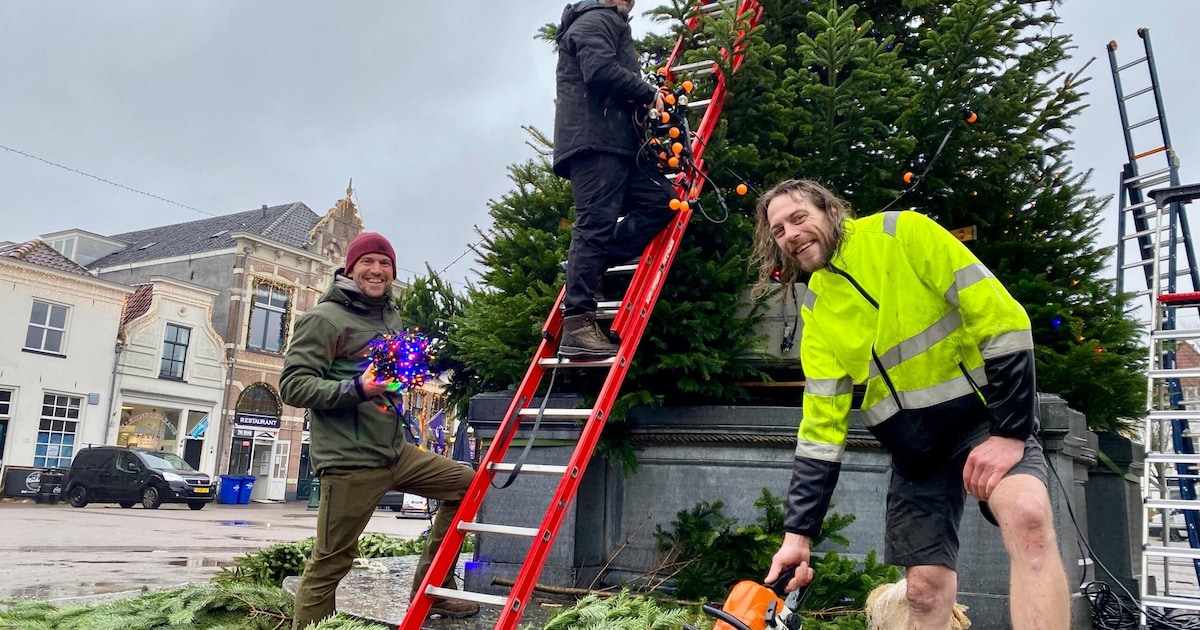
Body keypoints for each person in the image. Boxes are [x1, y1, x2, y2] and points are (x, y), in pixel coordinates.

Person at [752, 179, 1070, 629]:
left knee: (1029, 517)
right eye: (779, 229)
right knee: (922, 591)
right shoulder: (817, 308)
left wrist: (1009, 433)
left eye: (799, 217)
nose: (790, 234)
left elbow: (1004, 320)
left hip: (983, 422)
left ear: (832, 211)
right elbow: (821, 430)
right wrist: (797, 536)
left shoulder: (905, 232)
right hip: (915, 452)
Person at [281, 232, 479, 628]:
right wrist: (357, 388)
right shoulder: (323, 319)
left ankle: (433, 589)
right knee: (332, 560)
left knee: (467, 486)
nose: (377, 270)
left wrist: (413, 370)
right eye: (368, 262)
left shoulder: (389, 315)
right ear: (350, 268)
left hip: (395, 450)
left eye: (384, 263)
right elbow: (293, 386)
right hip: (350, 459)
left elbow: (389, 374)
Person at [553, 0, 676, 358]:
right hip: (596, 143)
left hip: (619, 145)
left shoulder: (602, 20)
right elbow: (600, 70)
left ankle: (591, 263)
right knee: (594, 225)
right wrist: (650, 93)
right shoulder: (596, 18)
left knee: (662, 201)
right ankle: (577, 323)